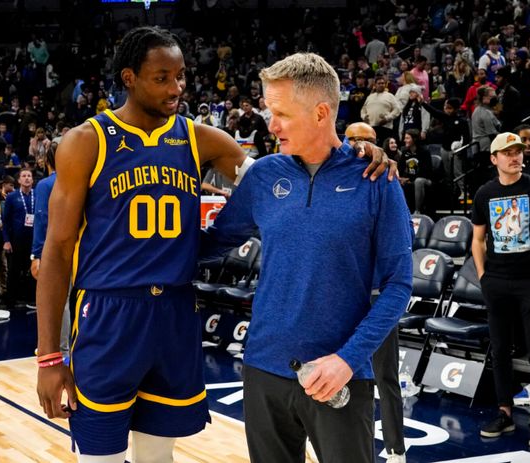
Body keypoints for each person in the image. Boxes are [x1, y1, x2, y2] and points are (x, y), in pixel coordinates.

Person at [35, 27, 391, 463]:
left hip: (175, 311)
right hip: (109, 312)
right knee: (99, 456)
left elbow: (283, 176)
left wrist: (357, 155)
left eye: (181, 76)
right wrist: (49, 356)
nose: (176, 88)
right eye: (162, 78)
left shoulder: (200, 138)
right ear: (129, 78)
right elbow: (57, 251)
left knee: (157, 457)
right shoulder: (86, 140)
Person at [203, 53, 412, 463]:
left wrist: (348, 360)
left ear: (320, 113)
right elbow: (210, 245)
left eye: (281, 113)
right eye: (269, 111)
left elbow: (398, 285)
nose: (271, 124)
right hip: (263, 367)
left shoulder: (377, 179)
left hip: (339, 375)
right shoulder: (264, 175)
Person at [471, 132, 530, 448]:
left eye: (518, 152)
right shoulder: (485, 193)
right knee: (499, 350)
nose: (515, 157)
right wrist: (483, 275)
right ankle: (504, 411)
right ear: (494, 158)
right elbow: (477, 239)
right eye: (507, 152)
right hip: (496, 281)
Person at [345, 122, 407, 462]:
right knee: (344, 375)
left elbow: (401, 242)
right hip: (342, 295)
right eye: (354, 139)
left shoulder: (387, 181)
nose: (361, 146)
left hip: (377, 295)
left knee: (386, 376)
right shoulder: (331, 180)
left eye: (367, 140)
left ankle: (396, 448)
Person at [30, 146, 69, 359]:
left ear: (46, 161)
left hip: (54, 250)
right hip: (82, 249)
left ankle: (60, 350)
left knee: (57, 301)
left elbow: (42, 218)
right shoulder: (81, 180)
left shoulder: (45, 185)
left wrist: (36, 254)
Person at [2, 168, 36, 309]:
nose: (27, 178)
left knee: (32, 269)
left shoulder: (37, 195)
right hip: (17, 239)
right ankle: (11, 300)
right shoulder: (12, 197)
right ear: (19, 180)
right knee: (14, 270)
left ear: (32, 179)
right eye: (24, 176)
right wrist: (6, 240)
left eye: (29, 176)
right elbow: (6, 220)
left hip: (33, 239)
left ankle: (31, 298)